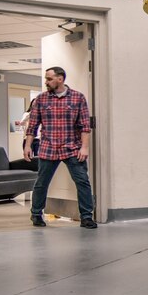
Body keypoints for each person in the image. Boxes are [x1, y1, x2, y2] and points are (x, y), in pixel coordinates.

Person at [23, 66, 97, 229]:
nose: (46, 82)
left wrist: (84, 148)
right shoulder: (41, 99)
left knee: (82, 182)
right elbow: (33, 126)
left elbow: (85, 126)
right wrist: (28, 146)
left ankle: (86, 217)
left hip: (72, 148)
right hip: (48, 147)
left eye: (49, 79)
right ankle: (36, 214)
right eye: (46, 78)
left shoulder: (78, 98)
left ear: (60, 78)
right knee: (41, 182)